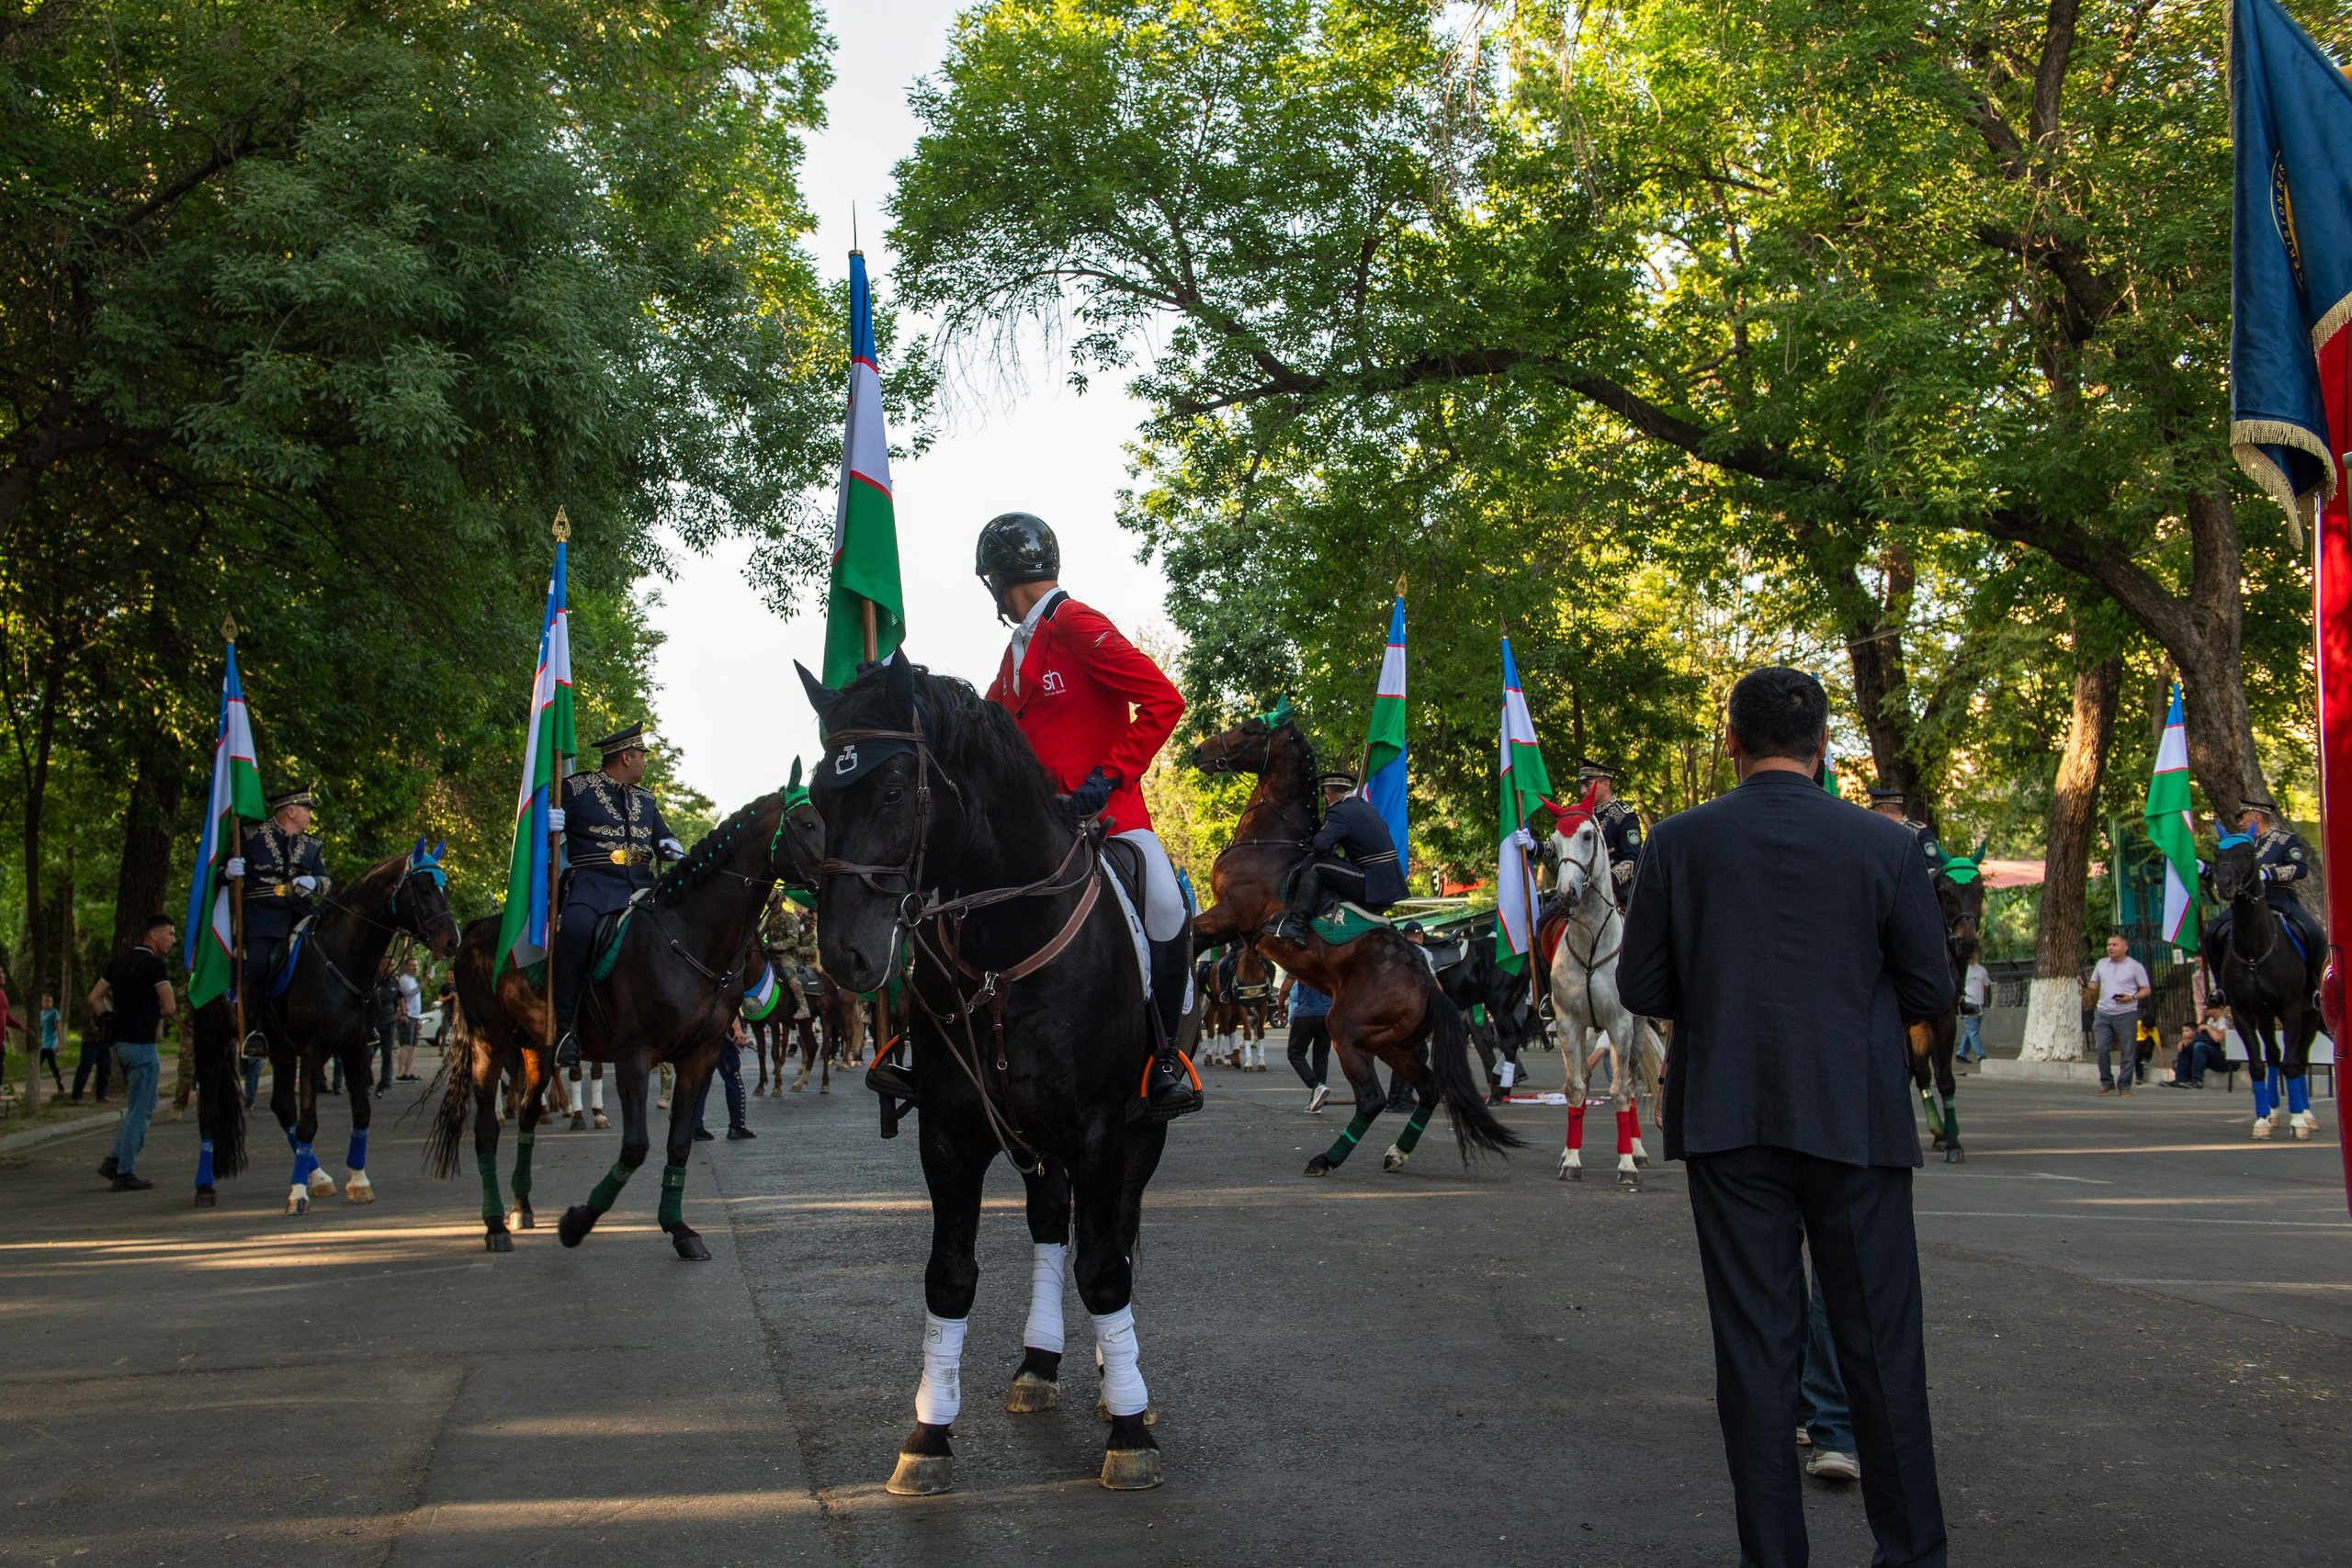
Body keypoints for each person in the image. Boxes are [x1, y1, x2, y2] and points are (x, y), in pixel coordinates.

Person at [1618, 666, 1951, 1568]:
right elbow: (1929, 985)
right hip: (1858, 1118)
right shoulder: (1884, 846)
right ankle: (1912, 1555)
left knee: (1754, 1355)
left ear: (1731, 742)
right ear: (1824, 747)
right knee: (1881, 1350)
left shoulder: (1678, 843)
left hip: (1728, 1119)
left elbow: (1640, 985)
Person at [970, 510, 1199, 1119]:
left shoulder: (1075, 623)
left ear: (997, 579)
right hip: (1035, 830)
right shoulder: (1015, 652)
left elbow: (1162, 700)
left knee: (1166, 903)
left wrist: (1108, 777)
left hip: (1110, 818)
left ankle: (1164, 1057)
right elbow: (984, 729)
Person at [550, 723, 684, 1068]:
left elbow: (662, 836)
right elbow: (539, 834)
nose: (645, 763)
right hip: (592, 885)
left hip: (641, 886)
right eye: (642, 756)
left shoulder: (646, 799)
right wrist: (545, 821)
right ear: (626, 757)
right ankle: (565, 1030)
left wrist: (671, 846)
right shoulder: (576, 789)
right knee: (576, 931)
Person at [226, 784, 330, 1059]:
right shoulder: (249, 836)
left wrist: (314, 881)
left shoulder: (312, 845)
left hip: (301, 912)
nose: (311, 816)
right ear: (291, 811)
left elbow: (326, 881)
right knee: (260, 964)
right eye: (307, 810)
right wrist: (228, 872)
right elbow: (216, 874)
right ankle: (254, 1030)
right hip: (263, 916)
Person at [88, 915, 178, 1191]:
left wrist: (107, 1017)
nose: (173, 940)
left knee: (144, 1104)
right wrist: (152, 1012)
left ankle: (114, 1160)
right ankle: (125, 1172)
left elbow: (95, 997)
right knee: (140, 1111)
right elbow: (170, 1006)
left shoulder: (119, 962)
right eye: (170, 934)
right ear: (153, 935)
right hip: (142, 1045)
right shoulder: (154, 966)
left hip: (120, 1045)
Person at [1275, 769, 1408, 946]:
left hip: (1372, 882)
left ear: (1327, 796)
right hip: (1389, 882)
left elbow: (1320, 846)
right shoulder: (1366, 806)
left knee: (1313, 864)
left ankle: (1297, 925)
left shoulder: (1338, 811)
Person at [2206, 796, 2326, 984]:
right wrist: (2206, 871)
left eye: (2242, 818)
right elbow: (2229, 874)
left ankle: (2317, 987)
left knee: (2315, 934)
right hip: (2246, 904)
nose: (2240, 823)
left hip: (2280, 901)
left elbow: (2300, 868)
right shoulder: (2241, 845)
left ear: (2256, 818)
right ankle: (2220, 989)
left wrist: (2269, 874)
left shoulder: (2285, 840)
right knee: (2212, 933)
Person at [2089, 933, 2151, 1097]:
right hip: (2103, 1013)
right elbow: (2094, 985)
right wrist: (2084, 983)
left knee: (2128, 1051)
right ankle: (2107, 1083)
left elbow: (2146, 989)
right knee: (2101, 1048)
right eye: (2109, 944)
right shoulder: (2102, 964)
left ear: (2125, 947)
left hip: (2126, 1013)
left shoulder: (2135, 966)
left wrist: (2132, 997)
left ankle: (2124, 1086)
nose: (2110, 947)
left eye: (2114, 945)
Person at [1866, 782, 1946, 877]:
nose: (1873, 815)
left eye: (1875, 811)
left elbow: (1933, 870)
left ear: (1883, 809)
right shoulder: (1875, 836)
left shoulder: (1919, 833)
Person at [1281, 976, 1333, 1112]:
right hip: (1328, 1014)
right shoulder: (1329, 960)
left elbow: (1285, 988)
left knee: (1294, 1053)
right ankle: (1316, 1102)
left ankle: (1316, 1085)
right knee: (1321, 1057)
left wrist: (1280, 1006)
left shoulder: (1299, 959)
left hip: (1306, 1014)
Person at [2169, 1009, 2233, 1089]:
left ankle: (2197, 1081)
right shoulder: (2211, 1020)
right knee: (2186, 1046)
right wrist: (2189, 1042)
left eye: (2210, 1006)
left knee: (2200, 1046)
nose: (2206, 1008)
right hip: (2216, 1054)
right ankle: (2180, 1079)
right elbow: (2206, 1038)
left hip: (2228, 1058)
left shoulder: (2225, 1020)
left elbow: (2218, 1038)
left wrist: (2208, 1028)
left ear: (2218, 1009)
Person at [394, 957, 423, 1080]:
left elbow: (415, 1001)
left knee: (412, 1046)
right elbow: (410, 993)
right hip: (407, 1015)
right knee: (405, 1044)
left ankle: (407, 1072)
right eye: (412, 965)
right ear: (406, 967)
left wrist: (419, 1017)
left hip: (415, 1016)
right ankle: (400, 1072)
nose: (414, 968)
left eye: (416, 965)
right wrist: (426, 981)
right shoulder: (403, 980)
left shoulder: (413, 980)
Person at [1957, 960, 1989, 1066]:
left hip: (1979, 1003)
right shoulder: (1963, 970)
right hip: (1968, 1003)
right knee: (1973, 1031)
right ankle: (1981, 1055)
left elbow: (1986, 986)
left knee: (1971, 1031)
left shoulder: (1982, 970)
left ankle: (1961, 1054)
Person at [36, 991, 65, 1092]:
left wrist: (60, 1043)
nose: (47, 1003)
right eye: (45, 1001)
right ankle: (59, 1085)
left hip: (51, 1043)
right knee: (52, 1066)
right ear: (41, 1002)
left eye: (49, 1001)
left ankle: (60, 1085)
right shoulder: (41, 1013)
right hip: (44, 1042)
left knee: (40, 1062)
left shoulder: (54, 1013)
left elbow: (58, 1028)